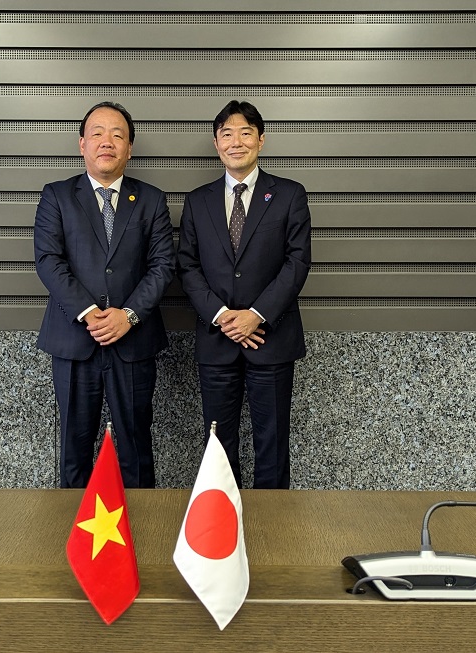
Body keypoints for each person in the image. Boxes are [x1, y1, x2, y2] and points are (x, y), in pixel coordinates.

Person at [34, 101, 175, 488]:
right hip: (74, 340)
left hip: (134, 341)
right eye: (97, 133)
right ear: (82, 144)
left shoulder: (150, 199)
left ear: (130, 148)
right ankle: (73, 525)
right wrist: (88, 311)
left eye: (117, 134)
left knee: (136, 446)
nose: (107, 142)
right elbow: (48, 260)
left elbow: (163, 265)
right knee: (74, 449)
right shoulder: (57, 196)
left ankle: (140, 523)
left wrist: (128, 315)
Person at [177, 100, 312, 489]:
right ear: (216, 143)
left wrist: (256, 314)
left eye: (245, 133)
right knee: (218, 444)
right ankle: (224, 520)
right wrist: (223, 316)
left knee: (272, 441)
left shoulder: (289, 195)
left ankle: (273, 520)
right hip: (217, 340)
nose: (236, 142)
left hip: (271, 338)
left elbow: (297, 262)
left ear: (261, 140)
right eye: (227, 134)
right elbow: (187, 265)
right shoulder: (198, 200)